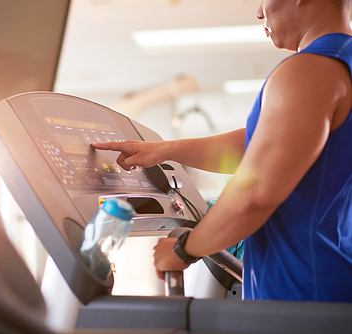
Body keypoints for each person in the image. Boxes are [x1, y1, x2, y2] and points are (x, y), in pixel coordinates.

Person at [92, 0, 352, 302]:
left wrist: (185, 248)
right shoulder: (339, 65)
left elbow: (256, 192)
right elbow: (264, 145)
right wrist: (165, 150)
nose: (259, 12)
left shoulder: (309, 70)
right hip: (327, 279)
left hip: (303, 295)